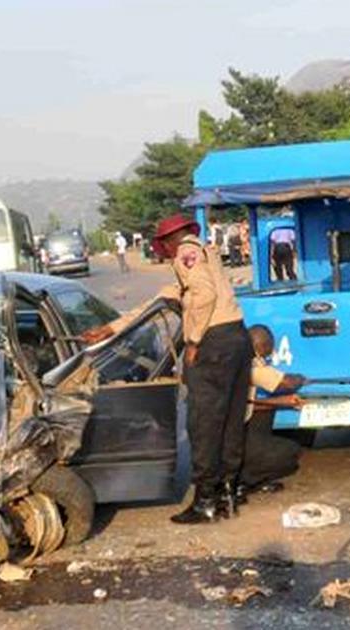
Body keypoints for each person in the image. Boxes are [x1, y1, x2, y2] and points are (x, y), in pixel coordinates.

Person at [83, 214, 250, 525]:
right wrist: (111, 328)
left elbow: (203, 295)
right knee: (229, 421)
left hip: (213, 345)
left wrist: (195, 341)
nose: (168, 251)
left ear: (172, 240)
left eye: (165, 245)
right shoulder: (206, 253)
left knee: (203, 425)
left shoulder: (187, 251)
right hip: (236, 338)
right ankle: (228, 492)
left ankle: (205, 502)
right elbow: (157, 303)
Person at [238, 325, 304, 500]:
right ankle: (246, 480)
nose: (271, 351)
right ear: (260, 348)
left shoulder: (233, 361)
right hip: (236, 444)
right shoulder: (254, 367)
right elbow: (288, 383)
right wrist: (303, 378)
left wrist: (279, 403)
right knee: (291, 453)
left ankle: (246, 477)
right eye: (269, 346)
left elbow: (249, 404)